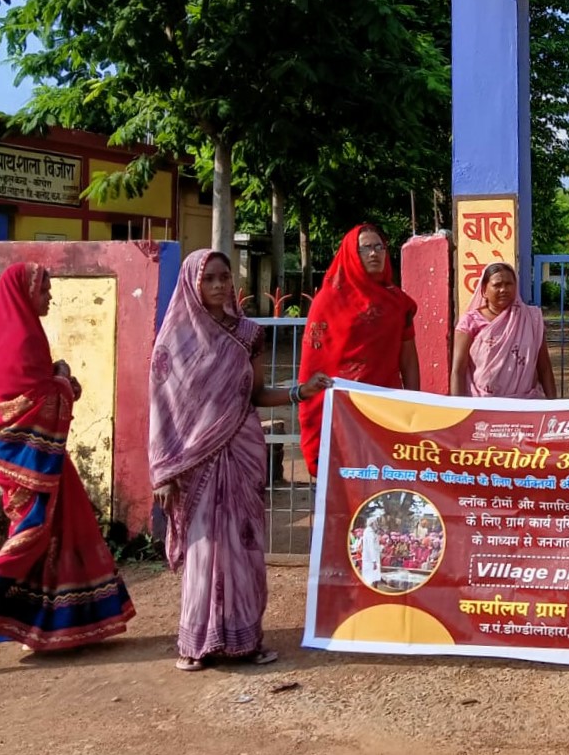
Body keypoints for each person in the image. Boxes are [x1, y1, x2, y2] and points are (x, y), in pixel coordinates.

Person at [149, 249, 332, 671]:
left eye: (224, 277)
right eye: (209, 278)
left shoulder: (248, 333)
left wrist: (301, 392)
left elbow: (256, 394)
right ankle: (197, 642)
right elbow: (161, 410)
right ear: (193, 284)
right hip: (193, 461)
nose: (218, 285)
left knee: (244, 548)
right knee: (203, 550)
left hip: (243, 451)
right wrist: (162, 471)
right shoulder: (175, 339)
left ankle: (245, 640)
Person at [0, 263, 136, 651]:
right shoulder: (22, 342)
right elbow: (33, 403)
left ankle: (57, 625)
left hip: (35, 459)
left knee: (60, 531)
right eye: (44, 291)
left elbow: (22, 395)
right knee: (30, 536)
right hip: (29, 464)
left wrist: (57, 376)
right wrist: (62, 380)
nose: (49, 298)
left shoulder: (9, 337)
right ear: (24, 295)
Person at [298, 224, 419, 475]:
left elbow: (408, 356)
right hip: (340, 410)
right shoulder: (328, 301)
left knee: (383, 479)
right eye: (365, 248)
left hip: (385, 407)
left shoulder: (398, 302)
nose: (374, 253)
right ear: (351, 254)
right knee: (340, 481)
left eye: (379, 247)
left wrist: (414, 403)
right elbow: (314, 362)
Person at [451, 263, 556, 398]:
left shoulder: (530, 318)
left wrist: (553, 404)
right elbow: (458, 370)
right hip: (482, 403)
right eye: (497, 285)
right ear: (484, 290)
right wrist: (459, 406)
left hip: (525, 403)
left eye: (509, 284)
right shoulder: (470, 321)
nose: (503, 289)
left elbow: (544, 368)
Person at [359, 515, 382, 586]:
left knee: (374, 577)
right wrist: (374, 561)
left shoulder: (372, 532)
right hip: (370, 560)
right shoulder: (369, 533)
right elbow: (371, 547)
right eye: (376, 523)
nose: (377, 524)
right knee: (370, 578)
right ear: (372, 523)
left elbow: (375, 545)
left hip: (372, 559)